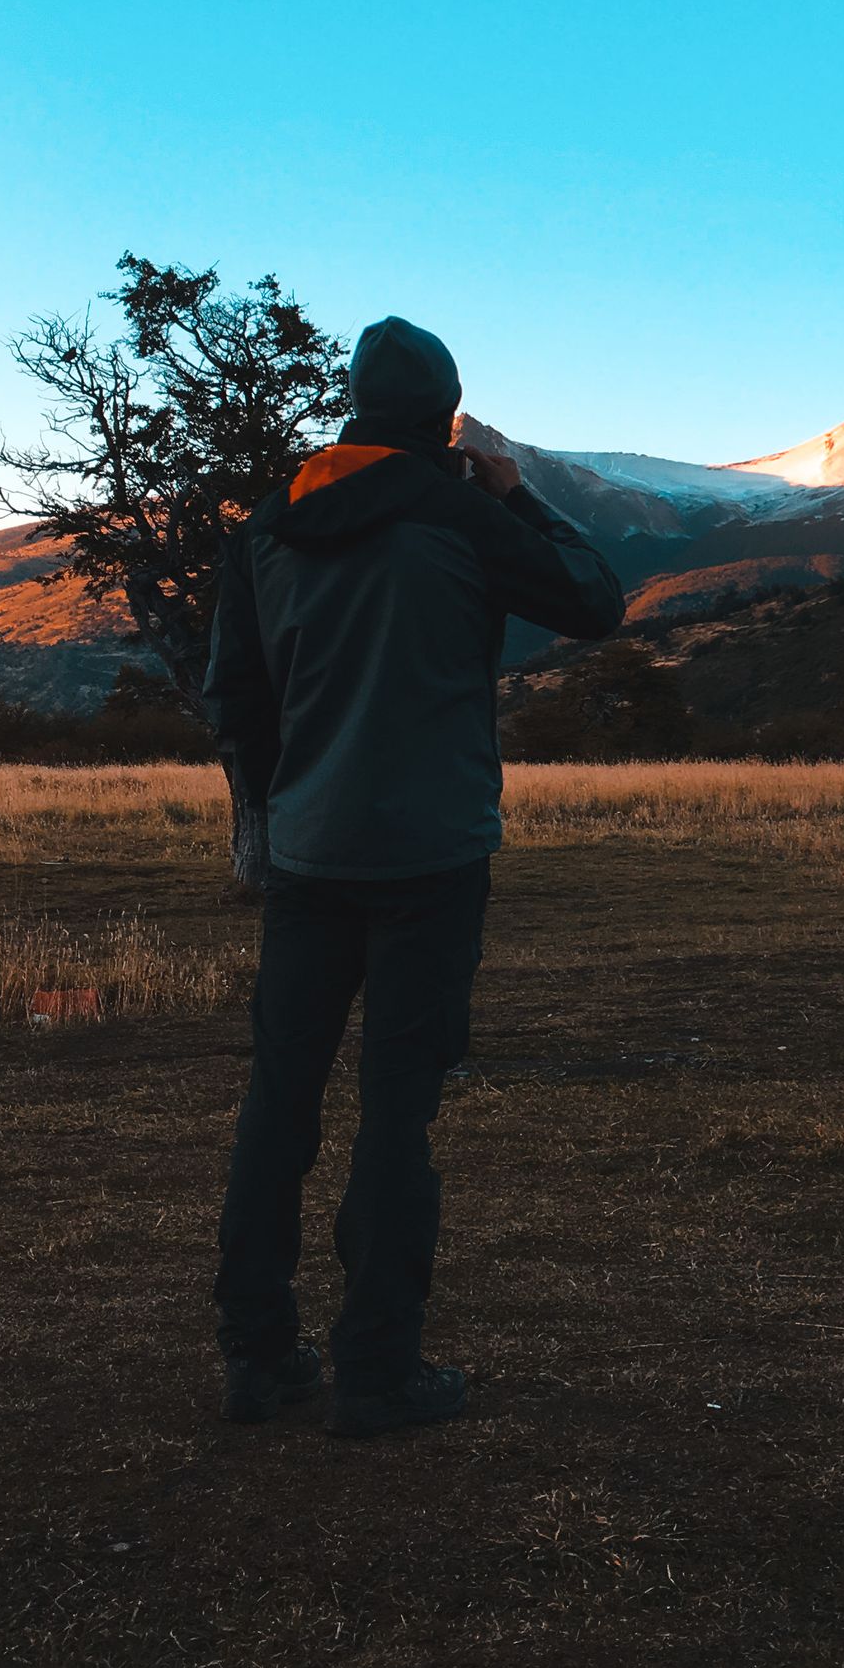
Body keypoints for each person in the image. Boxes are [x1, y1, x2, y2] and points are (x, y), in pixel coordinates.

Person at [204, 316, 625, 1437]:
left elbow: (233, 694)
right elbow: (596, 602)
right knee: (397, 1113)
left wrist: (275, 811)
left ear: (351, 407)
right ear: (445, 420)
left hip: (307, 855)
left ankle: (257, 1353)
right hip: (433, 857)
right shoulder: (461, 511)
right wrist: (517, 494)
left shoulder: (269, 524)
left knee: (279, 1097)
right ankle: (377, 1372)